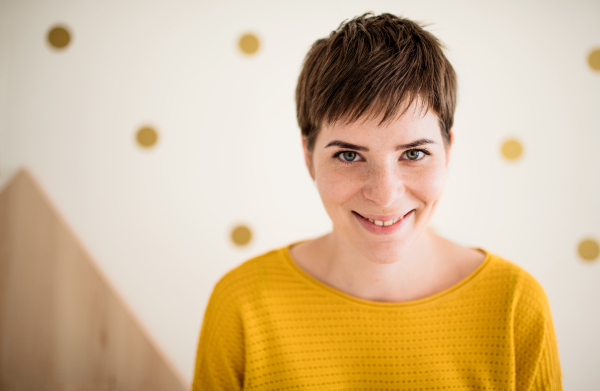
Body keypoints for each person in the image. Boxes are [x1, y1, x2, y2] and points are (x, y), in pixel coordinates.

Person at [192, 12, 562, 390]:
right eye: (349, 155)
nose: (385, 195)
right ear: (308, 158)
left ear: (448, 153)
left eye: (414, 153)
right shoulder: (242, 304)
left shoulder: (514, 305)